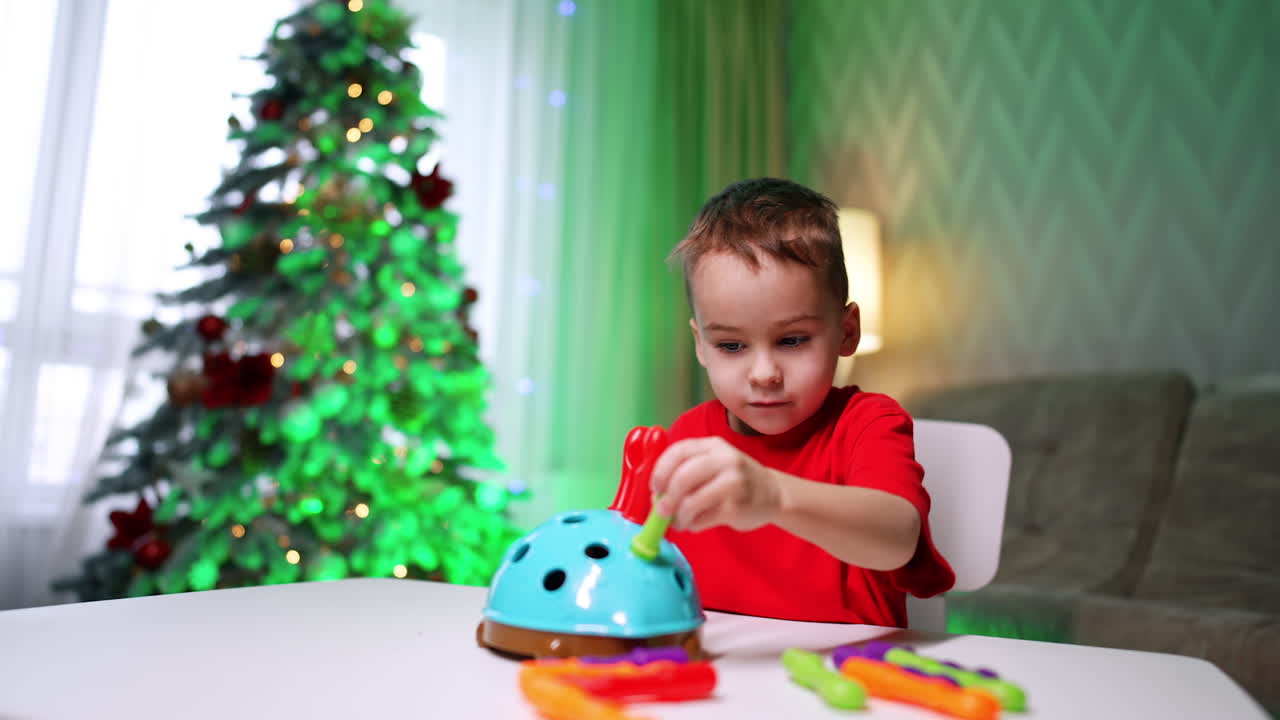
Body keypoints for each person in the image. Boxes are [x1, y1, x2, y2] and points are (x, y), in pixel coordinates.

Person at [610, 177, 954, 627]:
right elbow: (636, 565)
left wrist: (774, 496)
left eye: (792, 340)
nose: (764, 373)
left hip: (848, 676)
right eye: (731, 346)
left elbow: (897, 537)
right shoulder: (688, 437)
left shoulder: (869, 423)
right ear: (700, 345)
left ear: (846, 331)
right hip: (719, 680)